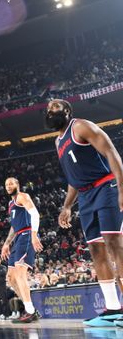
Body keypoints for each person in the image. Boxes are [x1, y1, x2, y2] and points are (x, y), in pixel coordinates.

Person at [48, 99, 123, 327]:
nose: (50, 112)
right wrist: (67, 206)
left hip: (105, 185)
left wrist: (121, 188)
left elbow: (111, 152)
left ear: (67, 111)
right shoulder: (57, 141)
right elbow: (73, 178)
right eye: (48, 110)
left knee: (113, 243)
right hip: (85, 195)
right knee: (95, 249)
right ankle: (112, 309)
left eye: (54, 108)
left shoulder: (81, 126)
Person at [0, 176, 42, 323]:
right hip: (18, 236)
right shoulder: (11, 203)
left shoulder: (22, 196)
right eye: (6, 184)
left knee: (20, 273)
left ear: (17, 184)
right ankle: (30, 308)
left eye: (11, 183)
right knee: (11, 278)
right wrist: (6, 243)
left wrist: (34, 235)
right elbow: (14, 226)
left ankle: (30, 312)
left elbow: (35, 213)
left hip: (27, 234)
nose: (8, 186)